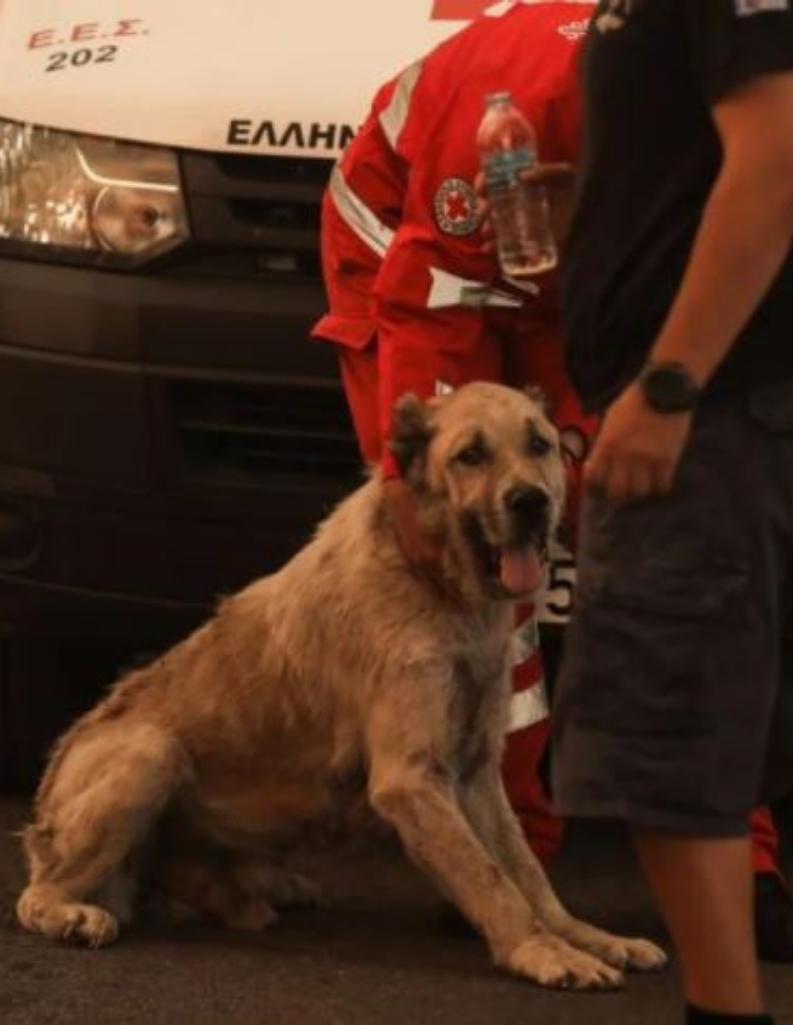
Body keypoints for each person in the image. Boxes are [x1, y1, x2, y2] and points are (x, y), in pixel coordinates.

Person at [316, 0, 793, 960]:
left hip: (584, 262)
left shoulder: (728, 113)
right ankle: (503, 843)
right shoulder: (507, 124)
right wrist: (422, 487)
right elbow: (430, 295)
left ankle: (744, 852)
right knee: (474, 542)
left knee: (682, 537)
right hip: (434, 262)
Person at [550, 1, 793, 1021]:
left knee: (666, 726)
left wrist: (667, 385)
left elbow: (776, 156)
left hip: (716, 415)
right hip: (734, 406)